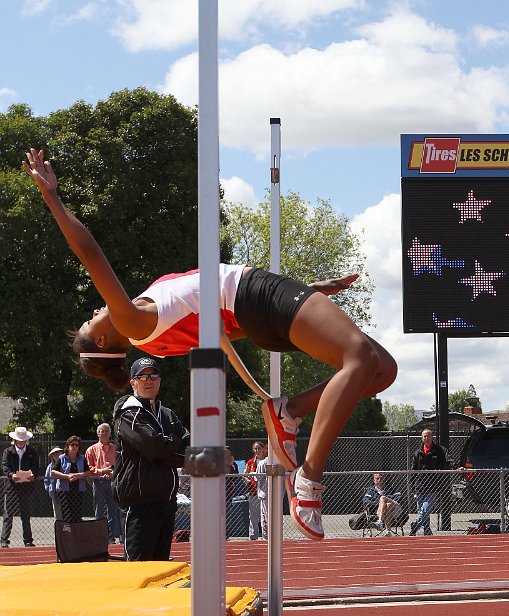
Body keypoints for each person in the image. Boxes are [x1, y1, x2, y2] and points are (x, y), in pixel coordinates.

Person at [23, 147, 398, 541]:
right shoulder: (132, 320)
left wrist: (305, 298)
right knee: (360, 358)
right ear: (102, 338)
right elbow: (90, 253)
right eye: (91, 318)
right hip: (255, 296)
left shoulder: (154, 335)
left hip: (257, 311)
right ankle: (309, 478)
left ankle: (290, 410)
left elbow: (224, 325)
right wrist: (52, 195)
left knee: (381, 370)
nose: (97, 307)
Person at [113, 357, 190, 561]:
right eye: (143, 376)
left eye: (154, 375)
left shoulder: (167, 414)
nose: (149, 380)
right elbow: (154, 447)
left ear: (160, 380)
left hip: (166, 503)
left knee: (161, 570)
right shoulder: (128, 413)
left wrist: (167, 447)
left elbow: (187, 447)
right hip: (138, 506)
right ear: (133, 382)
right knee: (139, 572)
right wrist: (171, 442)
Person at [1, 427, 40, 548]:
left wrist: (33, 475)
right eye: (19, 439)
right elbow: (5, 466)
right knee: (8, 514)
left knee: (25, 515)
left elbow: (35, 467)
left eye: (23, 439)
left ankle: (28, 540)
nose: (21, 441)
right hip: (11, 486)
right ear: (14, 439)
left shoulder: (32, 452)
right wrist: (11, 475)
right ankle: (4, 540)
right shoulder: (8, 451)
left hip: (26, 486)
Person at [85, 423, 123, 544]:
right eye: (102, 431)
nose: (104, 433)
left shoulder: (115, 449)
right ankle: (99, 538)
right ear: (98, 433)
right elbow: (88, 468)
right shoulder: (91, 449)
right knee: (99, 511)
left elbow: (120, 465)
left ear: (110, 433)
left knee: (113, 511)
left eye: (106, 431)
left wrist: (113, 472)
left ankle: (110, 538)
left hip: (112, 482)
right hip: (99, 482)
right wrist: (101, 471)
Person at [410, 429, 448, 536]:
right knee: (421, 510)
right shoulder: (418, 452)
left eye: (428, 436)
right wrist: (413, 488)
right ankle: (427, 531)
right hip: (420, 486)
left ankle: (415, 526)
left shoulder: (439, 450)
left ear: (432, 437)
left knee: (425, 509)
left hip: (433, 486)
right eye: (424, 436)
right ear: (422, 438)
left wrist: (457, 467)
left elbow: (446, 462)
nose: (426, 438)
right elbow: (413, 471)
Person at [51, 435, 91, 523]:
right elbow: (54, 472)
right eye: (72, 444)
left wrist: (79, 475)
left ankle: (76, 535)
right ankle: (67, 535)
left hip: (78, 490)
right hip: (64, 490)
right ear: (68, 446)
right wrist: (67, 476)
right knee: (67, 514)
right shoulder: (61, 458)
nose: (74, 447)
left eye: (76, 445)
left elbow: (88, 472)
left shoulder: (82, 458)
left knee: (77, 515)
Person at [243, 442, 266, 540]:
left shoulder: (267, 461)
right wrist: (249, 482)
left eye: (259, 448)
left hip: (265, 492)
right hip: (253, 492)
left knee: (265, 515)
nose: (257, 450)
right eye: (255, 449)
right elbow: (244, 475)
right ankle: (253, 536)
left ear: (263, 449)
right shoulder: (250, 462)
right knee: (253, 516)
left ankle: (267, 535)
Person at [44, 446, 64, 520]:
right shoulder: (50, 467)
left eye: (58, 452)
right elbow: (46, 480)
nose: (56, 454)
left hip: (66, 492)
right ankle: (59, 530)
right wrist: (50, 489)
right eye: (54, 453)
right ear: (51, 456)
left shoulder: (66, 464)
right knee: (58, 515)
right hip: (55, 494)